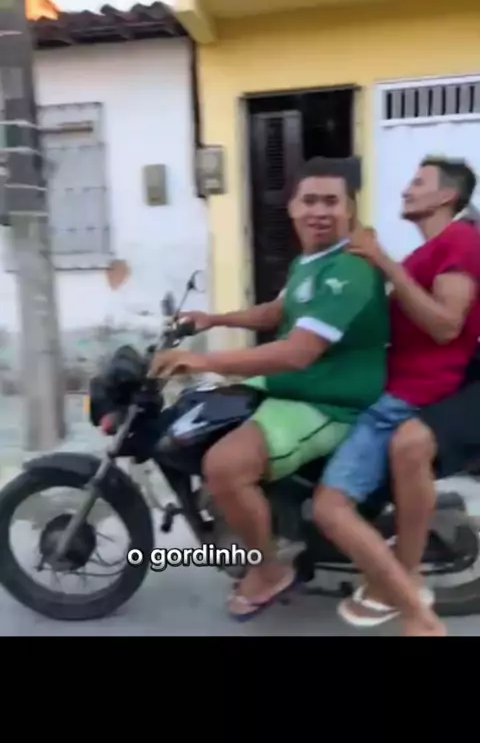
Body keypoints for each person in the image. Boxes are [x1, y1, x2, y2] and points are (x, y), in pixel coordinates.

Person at [148, 156, 389, 620]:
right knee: (199, 413)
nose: (319, 211)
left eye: (331, 201)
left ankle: (268, 570)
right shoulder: (308, 263)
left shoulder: (350, 270)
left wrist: (205, 360)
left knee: (224, 465)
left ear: (349, 209)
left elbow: (298, 352)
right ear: (292, 208)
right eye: (309, 201)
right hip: (295, 386)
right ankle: (264, 519)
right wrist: (213, 319)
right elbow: (277, 313)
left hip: (330, 400)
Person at [313, 156, 480, 637]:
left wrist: (383, 261)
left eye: (418, 183)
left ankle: (406, 598)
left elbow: (446, 325)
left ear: (446, 196)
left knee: (331, 506)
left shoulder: (461, 242)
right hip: (386, 387)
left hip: (410, 396)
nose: (406, 190)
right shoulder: (422, 256)